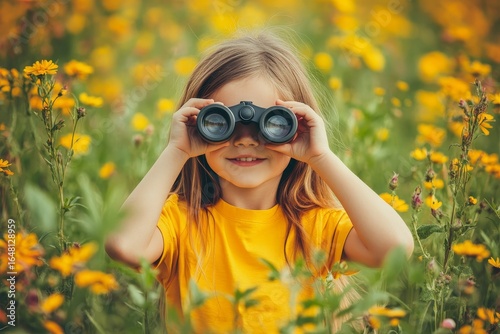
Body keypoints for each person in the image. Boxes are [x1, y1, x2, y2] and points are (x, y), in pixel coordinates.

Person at [105, 31, 414, 333]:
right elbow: (123, 245)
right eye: (220, 122)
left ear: (299, 127)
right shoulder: (182, 221)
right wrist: (177, 150)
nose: (245, 140)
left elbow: (394, 248)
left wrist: (320, 157)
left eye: (273, 123)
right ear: (196, 124)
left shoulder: (314, 225)